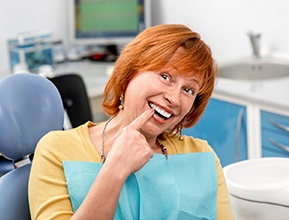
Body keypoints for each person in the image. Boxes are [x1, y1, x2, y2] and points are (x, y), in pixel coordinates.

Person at [28, 24, 233, 219]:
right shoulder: (56, 149)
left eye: (188, 90)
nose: (175, 98)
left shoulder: (202, 156)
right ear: (129, 75)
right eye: (165, 76)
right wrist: (115, 170)